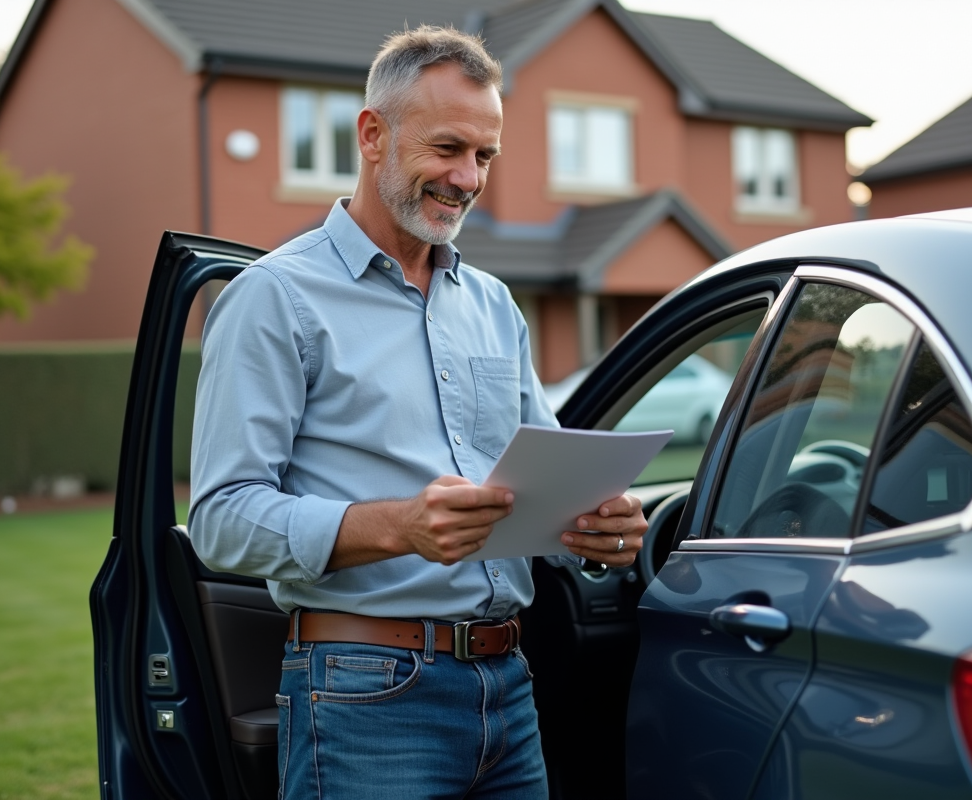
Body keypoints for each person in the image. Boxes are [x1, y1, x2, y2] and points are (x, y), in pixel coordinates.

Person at [189, 25, 648, 799]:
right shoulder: (275, 297)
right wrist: (396, 526)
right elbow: (222, 519)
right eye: (447, 149)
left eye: (485, 157)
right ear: (373, 134)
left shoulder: (495, 304)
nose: (468, 178)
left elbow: (545, 480)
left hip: (508, 684)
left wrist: (597, 531)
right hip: (364, 691)